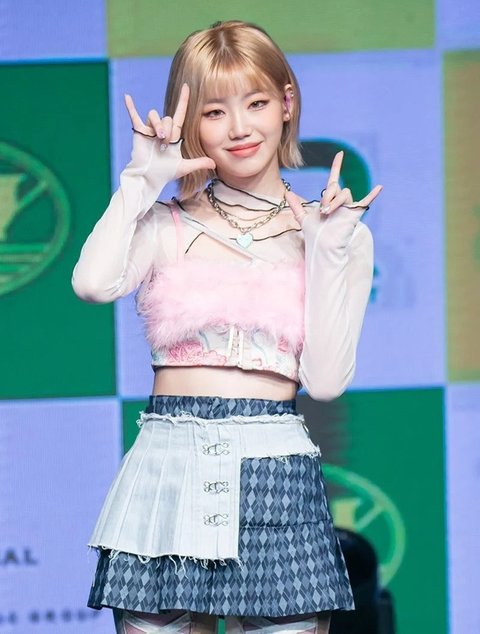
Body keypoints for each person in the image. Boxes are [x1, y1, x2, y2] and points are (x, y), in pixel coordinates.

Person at [72, 19, 381, 634]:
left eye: (256, 103)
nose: (239, 128)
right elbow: (91, 284)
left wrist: (325, 252)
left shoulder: (333, 232)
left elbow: (324, 381)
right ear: (191, 122)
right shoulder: (164, 223)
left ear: (286, 104)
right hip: (169, 465)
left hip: (275, 469)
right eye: (215, 111)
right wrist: (140, 181)